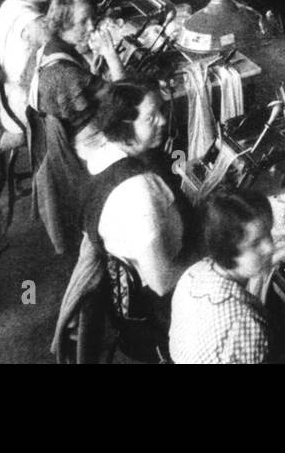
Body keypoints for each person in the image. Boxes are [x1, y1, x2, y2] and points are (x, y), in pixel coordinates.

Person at [82, 79, 190, 359]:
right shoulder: (139, 193)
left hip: (125, 301)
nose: (163, 121)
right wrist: (216, 252)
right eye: (151, 116)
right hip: (157, 315)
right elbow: (162, 281)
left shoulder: (102, 155)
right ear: (124, 123)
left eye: (162, 111)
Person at [30, 0, 125, 254]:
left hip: (67, 146)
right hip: (84, 156)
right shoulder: (66, 75)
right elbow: (122, 100)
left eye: (92, 18)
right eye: (84, 21)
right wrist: (110, 54)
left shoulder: (48, 50)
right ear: (63, 24)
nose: (91, 25)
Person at [169, 189, 275, 364]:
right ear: (227, 251)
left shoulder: (194, 272)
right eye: (255, 243)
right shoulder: (246, 323)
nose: (270, 247)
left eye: (269, 233)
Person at [0, 0, 53, 149]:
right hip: (24, 110)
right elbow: (61, 52)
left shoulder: (10, 3)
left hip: (7, 101)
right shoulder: (33, 22)